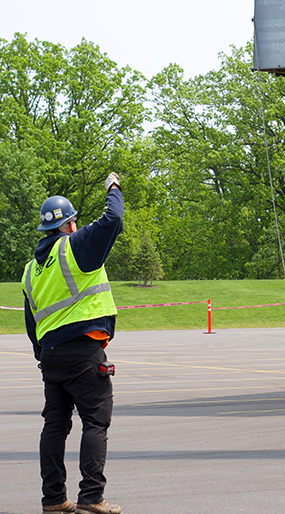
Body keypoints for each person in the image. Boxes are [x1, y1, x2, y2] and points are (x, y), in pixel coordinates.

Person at [22, 173, 124, 514]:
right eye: (75, 222)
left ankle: (53, 499)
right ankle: (91, 497)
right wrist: (113, 188)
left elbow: (31, 321)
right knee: (95, 422)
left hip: (51, 356)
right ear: (68, 225)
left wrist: (44, 358)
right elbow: (113, 219)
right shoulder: (75, 246)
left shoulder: (30, 270)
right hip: (84, 350)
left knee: (55, 425)